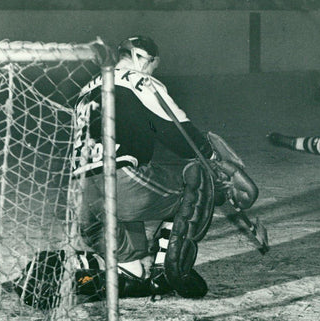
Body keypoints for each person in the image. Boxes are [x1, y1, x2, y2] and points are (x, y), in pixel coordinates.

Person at [14, 35, 257, 306]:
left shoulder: (87, 89)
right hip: (119, 182)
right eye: (153, 64)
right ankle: (168, 268)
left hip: (80, 196)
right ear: (142, 57)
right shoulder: (140, 81)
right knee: (199, 179)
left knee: (132, 274)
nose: (153, 70)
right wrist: (213, 161)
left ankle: (56, 269)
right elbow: (178, 131)